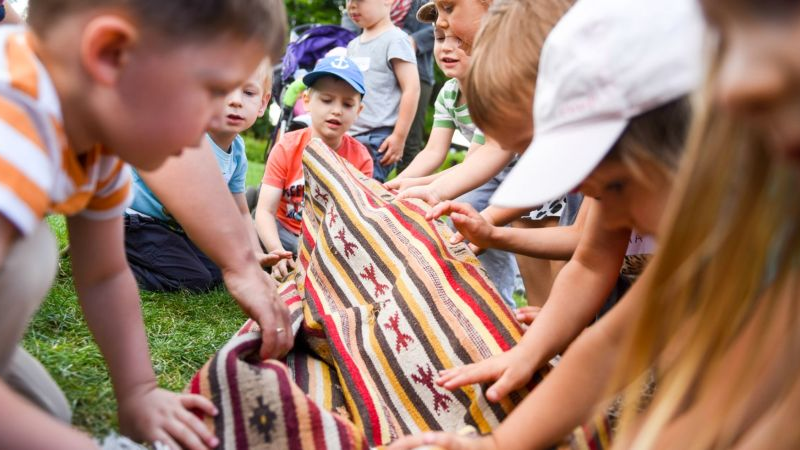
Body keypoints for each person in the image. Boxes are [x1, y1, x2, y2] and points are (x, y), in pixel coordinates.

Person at [387, 0, 704, 448]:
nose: (601, 213)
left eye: (609, 186)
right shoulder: (639, 172)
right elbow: (597, 279)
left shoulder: (738, 228)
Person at [0, 0, 289, 448]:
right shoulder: (14, 125)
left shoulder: (98, 133)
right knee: (31, 254)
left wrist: (138, 392)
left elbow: (105, 274)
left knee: (48, 413)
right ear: (112, 55)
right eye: (210, 89)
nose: (216, 117)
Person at [125, 60, 291, 293]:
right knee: (195, 279)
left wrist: (254, 259)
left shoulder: (238, 152)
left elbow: (241, 213)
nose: (235, 100)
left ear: (263, 103)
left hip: (170, 229)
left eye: (248, 92)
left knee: (215, 273)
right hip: (134, 221)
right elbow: (194, 215)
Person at [255, 56, 374, 279]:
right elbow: (265, 212)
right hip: (284, 231)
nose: (337, 110)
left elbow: (357, 222)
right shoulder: (287, 146)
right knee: (252, 228)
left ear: (359, 110)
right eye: (327, 100)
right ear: (307, 101)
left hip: (326, 241)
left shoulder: (361, 159)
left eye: (347, 104)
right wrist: (276, 251)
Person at [342, 0, 435, 173]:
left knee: (365, 194)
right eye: (348, 0)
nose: (352, 5)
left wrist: (399, 137)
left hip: (378, 139)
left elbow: (412, 88)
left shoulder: (396, 40)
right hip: (349, 136)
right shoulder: (352, 46)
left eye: (359, 0)